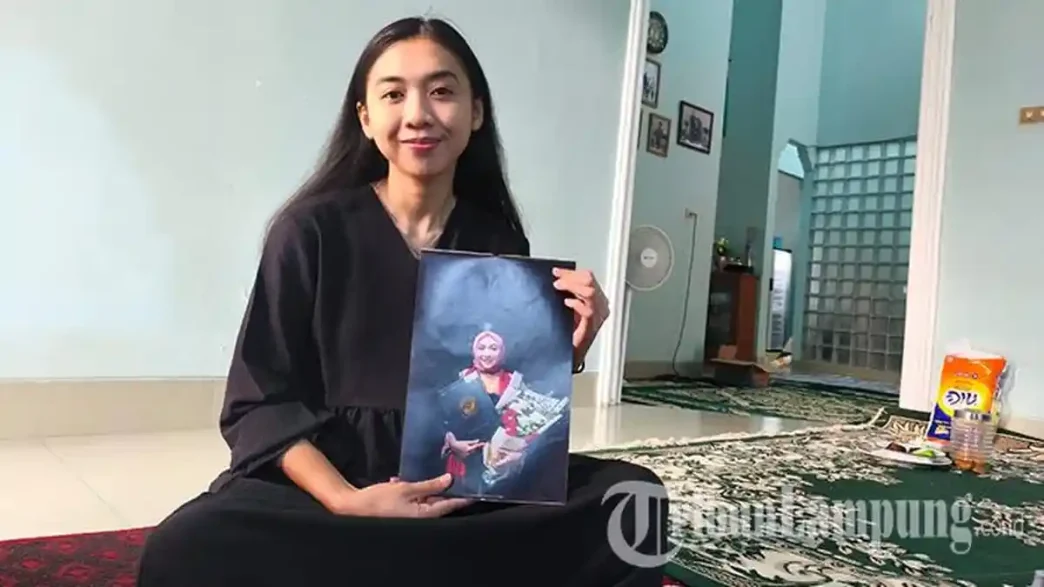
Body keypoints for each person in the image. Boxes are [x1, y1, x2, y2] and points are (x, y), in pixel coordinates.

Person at [136, 16, 669, 587]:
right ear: (366, 118)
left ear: (476, 112)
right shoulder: (309, 231)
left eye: (441, 91)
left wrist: (566, 351)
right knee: (183, 547)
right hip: (330, 489)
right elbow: (258, 403)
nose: (418, 114)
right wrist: (347, 500)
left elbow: (504, 406)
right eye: (393, 94)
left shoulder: (498, 241)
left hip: (456, 488)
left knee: (633, 502)